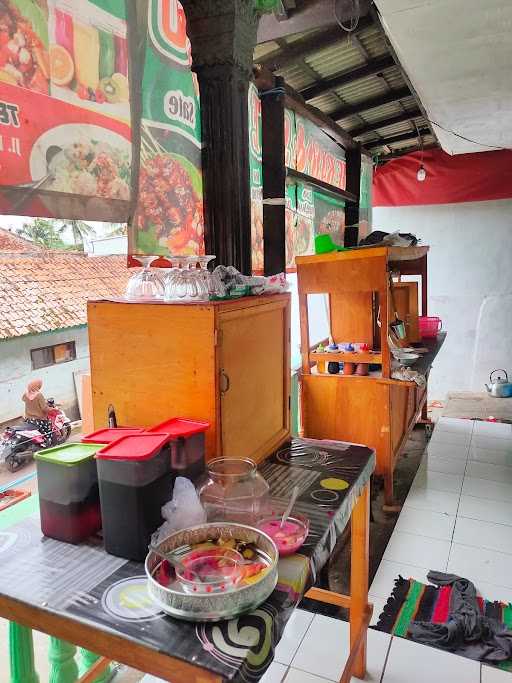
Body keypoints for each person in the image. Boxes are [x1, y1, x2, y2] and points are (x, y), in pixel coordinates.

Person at [22, 379, 52, 447]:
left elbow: (23, 399)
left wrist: (28, 391)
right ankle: (48, 444)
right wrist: (52, 409)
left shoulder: (26, 394)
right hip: (39, 419)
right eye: (40, 385)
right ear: (38, 386)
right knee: (48, 430)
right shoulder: (39, 395)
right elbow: (44, 408)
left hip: (29, 419)